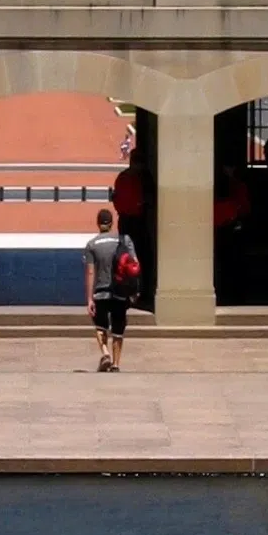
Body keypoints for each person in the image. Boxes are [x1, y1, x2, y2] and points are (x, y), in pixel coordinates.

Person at [84, 206, 137, 373]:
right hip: (120, 290)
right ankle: (116, 364)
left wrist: (90, 298)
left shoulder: (92, 244)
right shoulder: (124, 240)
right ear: (112, 223)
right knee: (118, 328)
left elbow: (91, 271)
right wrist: (134, 290)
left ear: (98, 224)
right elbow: (134, 265)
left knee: (100, 326)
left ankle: (105, 353)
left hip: (101, 291)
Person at [110, 145, 155, 302]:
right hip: (137, 222)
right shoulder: (143, 178)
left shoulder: (123, 177)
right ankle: (139, 292)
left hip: (126, 221)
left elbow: (115, 198)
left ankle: (127, 292)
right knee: (141, 257)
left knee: (126, 258)